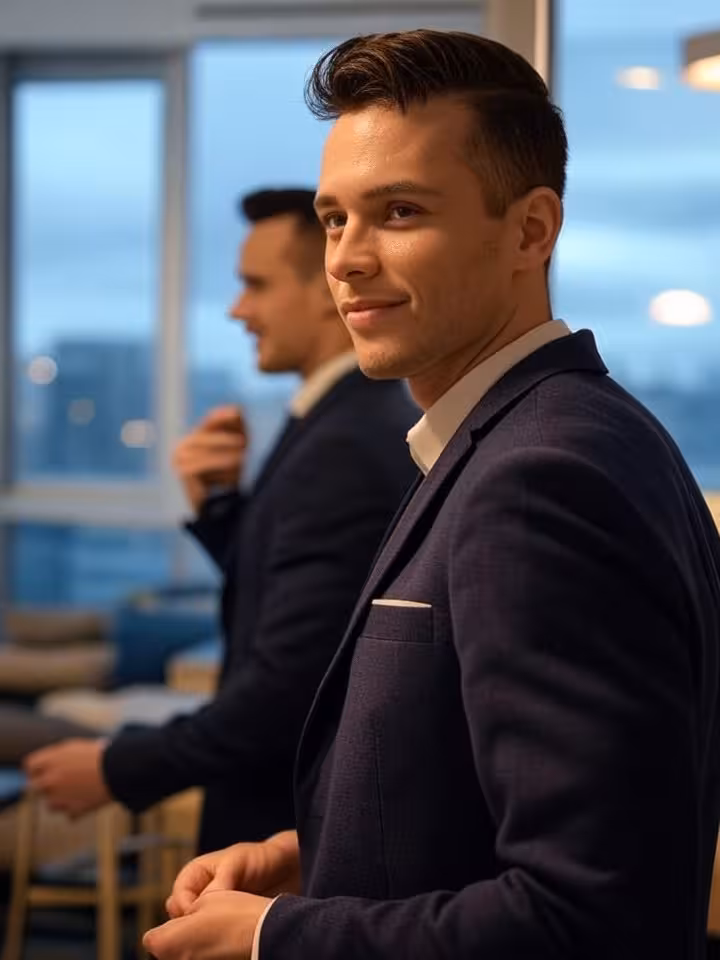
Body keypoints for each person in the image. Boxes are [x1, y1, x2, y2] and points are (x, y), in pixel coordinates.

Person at [144, 30, 720, 960]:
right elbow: (486, 800)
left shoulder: (542, 478)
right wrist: (319, 855)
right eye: (336, 219)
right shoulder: (530, 432)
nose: (348, 260)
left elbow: (594, 917)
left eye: (400, 211)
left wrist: (280, 937)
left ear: (532, 229)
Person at [23, 188, 418, 854]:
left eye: (255, 286)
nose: (238, 309)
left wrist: (121, 767)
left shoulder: (345, 440)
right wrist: (222, 507)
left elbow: (290, 687)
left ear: (328, 287)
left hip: (279, 830)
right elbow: (298, 601)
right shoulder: (339, 419)